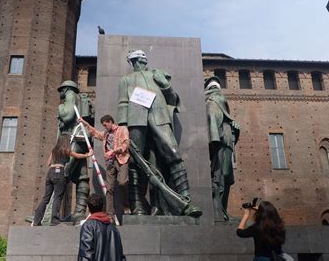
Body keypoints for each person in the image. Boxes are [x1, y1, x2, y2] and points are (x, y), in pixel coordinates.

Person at [117, 49, 201, 217]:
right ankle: (137, 205)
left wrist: (165, 84)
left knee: (174, 154)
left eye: (143, 59)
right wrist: (123, 127)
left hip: (160, 117)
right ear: (134, 62)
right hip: (136, 120)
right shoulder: (126, 80)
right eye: (139, 59)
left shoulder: (157, 74)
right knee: (136, 163)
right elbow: (123, 103)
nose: (142, 61)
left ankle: (185, 198)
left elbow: (172, 99)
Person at [33, 134, 93, 226]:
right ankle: (54, 220)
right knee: (57, 197)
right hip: (59, 172)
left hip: (50, 173)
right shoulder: (65, 150)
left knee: (46, 198)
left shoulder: (54, 150)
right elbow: (77, 155)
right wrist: (88, 154)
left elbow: (48, 163)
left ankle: (36, 220)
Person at [79, 115, 131, 218]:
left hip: (121, 160)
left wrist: (113, 151)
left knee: (122, 182)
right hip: (110, 163)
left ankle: (126, 205)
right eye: (103, 126)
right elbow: (96, 133)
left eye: (106, 125)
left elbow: (126, 145)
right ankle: (110, 214)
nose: (105, 127)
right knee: (109, 189)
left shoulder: (122, 129)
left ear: (111, 121)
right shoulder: (106, 133)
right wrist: (85, 123)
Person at [204, 76, 240, 222]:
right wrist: (214, 139)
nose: (218, 90)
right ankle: (218, 211)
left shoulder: (219, 101)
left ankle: (222, 210)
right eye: (214, 87)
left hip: (226, 140)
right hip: (220, 140)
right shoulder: (211, 100)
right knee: (220, 176)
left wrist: (234, 127)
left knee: (227, 176)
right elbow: (211, 117)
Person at [57, 80, 91, 222]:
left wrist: (60, 108)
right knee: (81, 176)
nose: (60, 93)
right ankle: (80, 212)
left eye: (61, 90)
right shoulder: (80, 98)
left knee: (60, 173)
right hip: (80, 138)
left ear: (67, 89)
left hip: (71, 138)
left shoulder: (70, 95)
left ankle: (48, 214)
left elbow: (68, 115)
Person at [78, 193, 126, 261]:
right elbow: (120, 256)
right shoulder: (113, 228)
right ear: (103, 207)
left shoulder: (88, 226)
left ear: (89, 209)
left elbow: (86, 255)